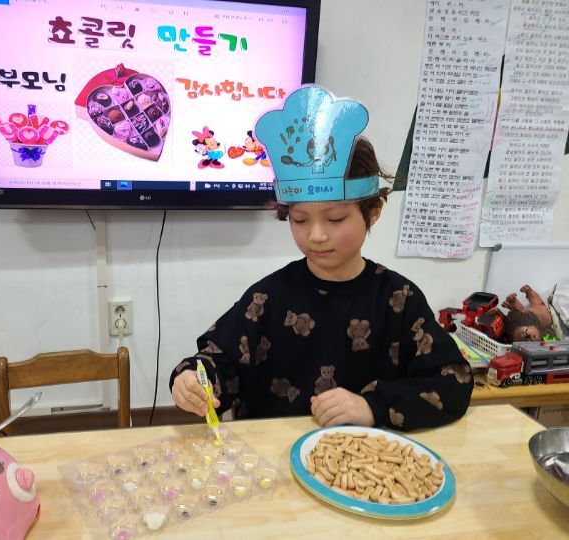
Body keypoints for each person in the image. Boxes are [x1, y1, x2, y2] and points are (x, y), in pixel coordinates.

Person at [169, 86, 473, 431]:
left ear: (373, 211)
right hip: (273, 453)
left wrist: (371, 406)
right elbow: (218, 361)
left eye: (335, 219)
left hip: (362, 457)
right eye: (300, 220)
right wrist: (193, 380)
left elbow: (453, 381)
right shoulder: (267, 298)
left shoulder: (399, 300)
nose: (316, 235)